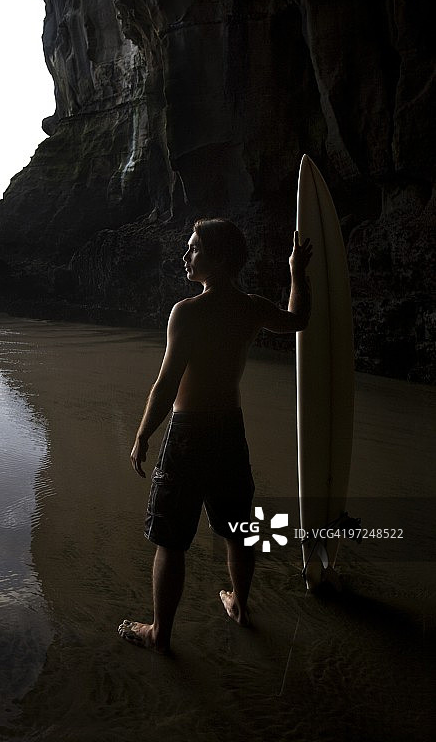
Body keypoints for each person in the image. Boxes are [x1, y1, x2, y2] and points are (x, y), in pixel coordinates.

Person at [118, 218, 312, 653]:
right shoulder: (252, 307)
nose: (186, 256)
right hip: (229, 430)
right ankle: (240, 606)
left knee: (170, 539)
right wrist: (297, 273)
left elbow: (167, 384)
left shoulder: (188, 311)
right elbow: (299, 319)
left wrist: (143, 434)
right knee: (239, 528)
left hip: (189, 434)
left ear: (219, 257)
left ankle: (159, 633)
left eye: (194, 249)